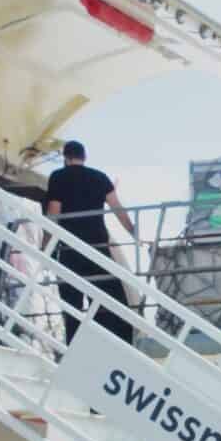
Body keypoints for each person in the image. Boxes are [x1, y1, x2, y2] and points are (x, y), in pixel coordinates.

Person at [44, 141, 138, 346]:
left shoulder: (58, 177)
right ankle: (119, 344)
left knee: (72, 303)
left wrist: (46, 245)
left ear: (65, 157)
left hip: (71, 248)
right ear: (84, 157)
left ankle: (76, 347)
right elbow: (117, 208)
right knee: (111, 299)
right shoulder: (99, 177)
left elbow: (53, 213)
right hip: (98, 246)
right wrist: (134, 232)